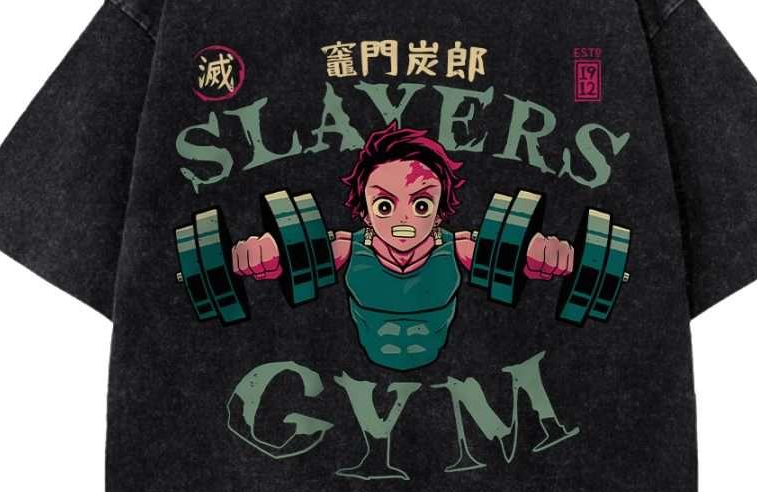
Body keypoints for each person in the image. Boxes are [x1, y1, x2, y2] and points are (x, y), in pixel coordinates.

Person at [232, 120, 574, 370]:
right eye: (385, 205)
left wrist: (543, 255)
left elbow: (515, 261)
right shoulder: (343, 248)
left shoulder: (462, 248)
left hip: (433, 354)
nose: (404, 219)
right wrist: (262, 255)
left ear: (440, 213)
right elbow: (290, 260)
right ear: (365, 213)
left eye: (421, 204)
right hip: (372, 353)